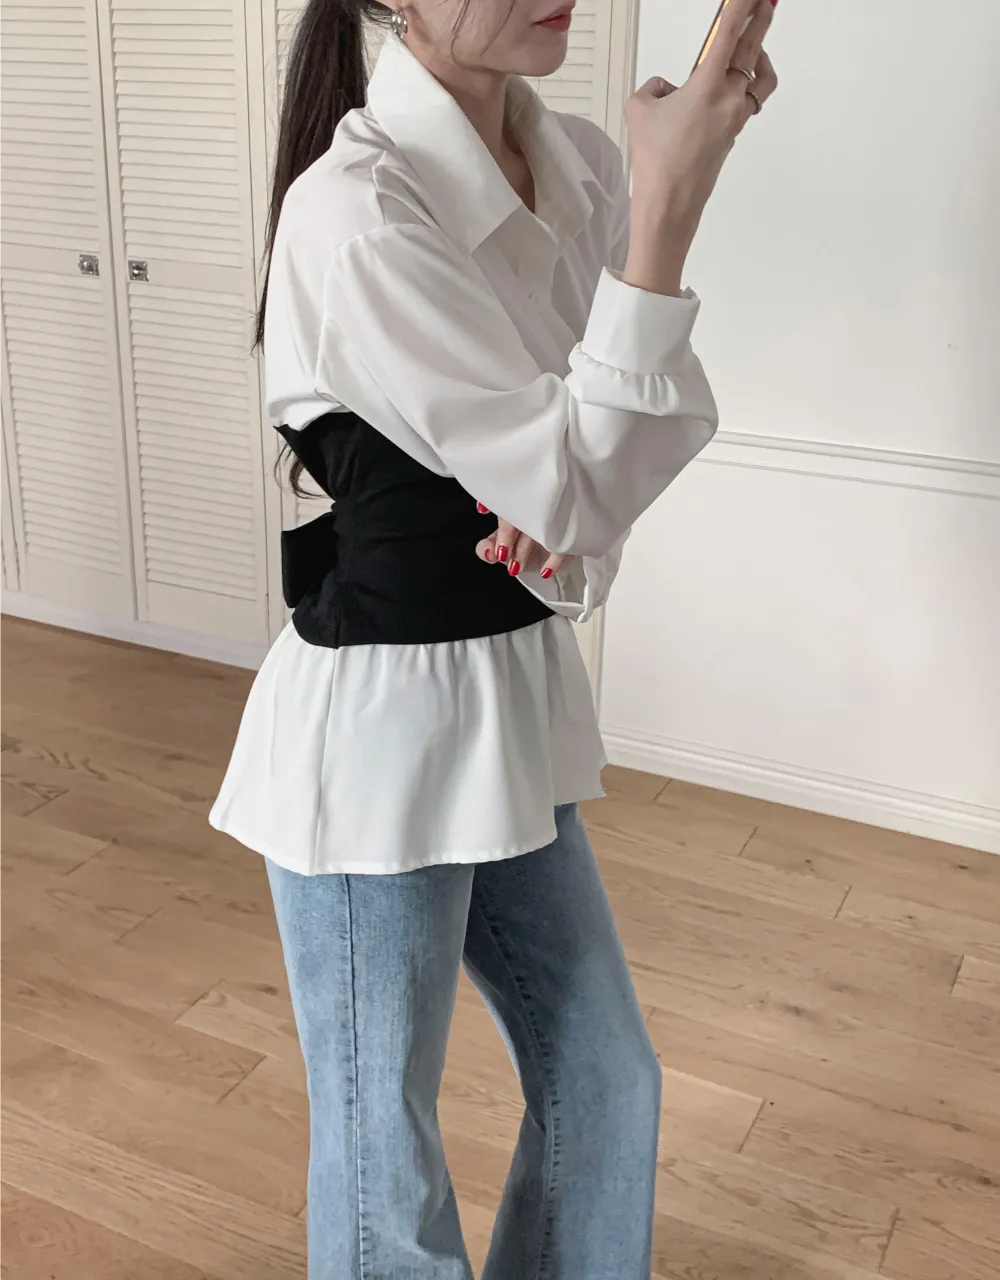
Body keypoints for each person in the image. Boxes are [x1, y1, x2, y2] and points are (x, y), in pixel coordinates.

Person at [210, 0, 777, 1275]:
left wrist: (565, 503)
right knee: (386, 1166)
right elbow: (576, 473)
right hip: (375, 742)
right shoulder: (354, 210)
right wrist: (672, 205)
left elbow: (591, 471)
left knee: (606, 1079)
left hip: (506, 701)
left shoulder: (577, 163)